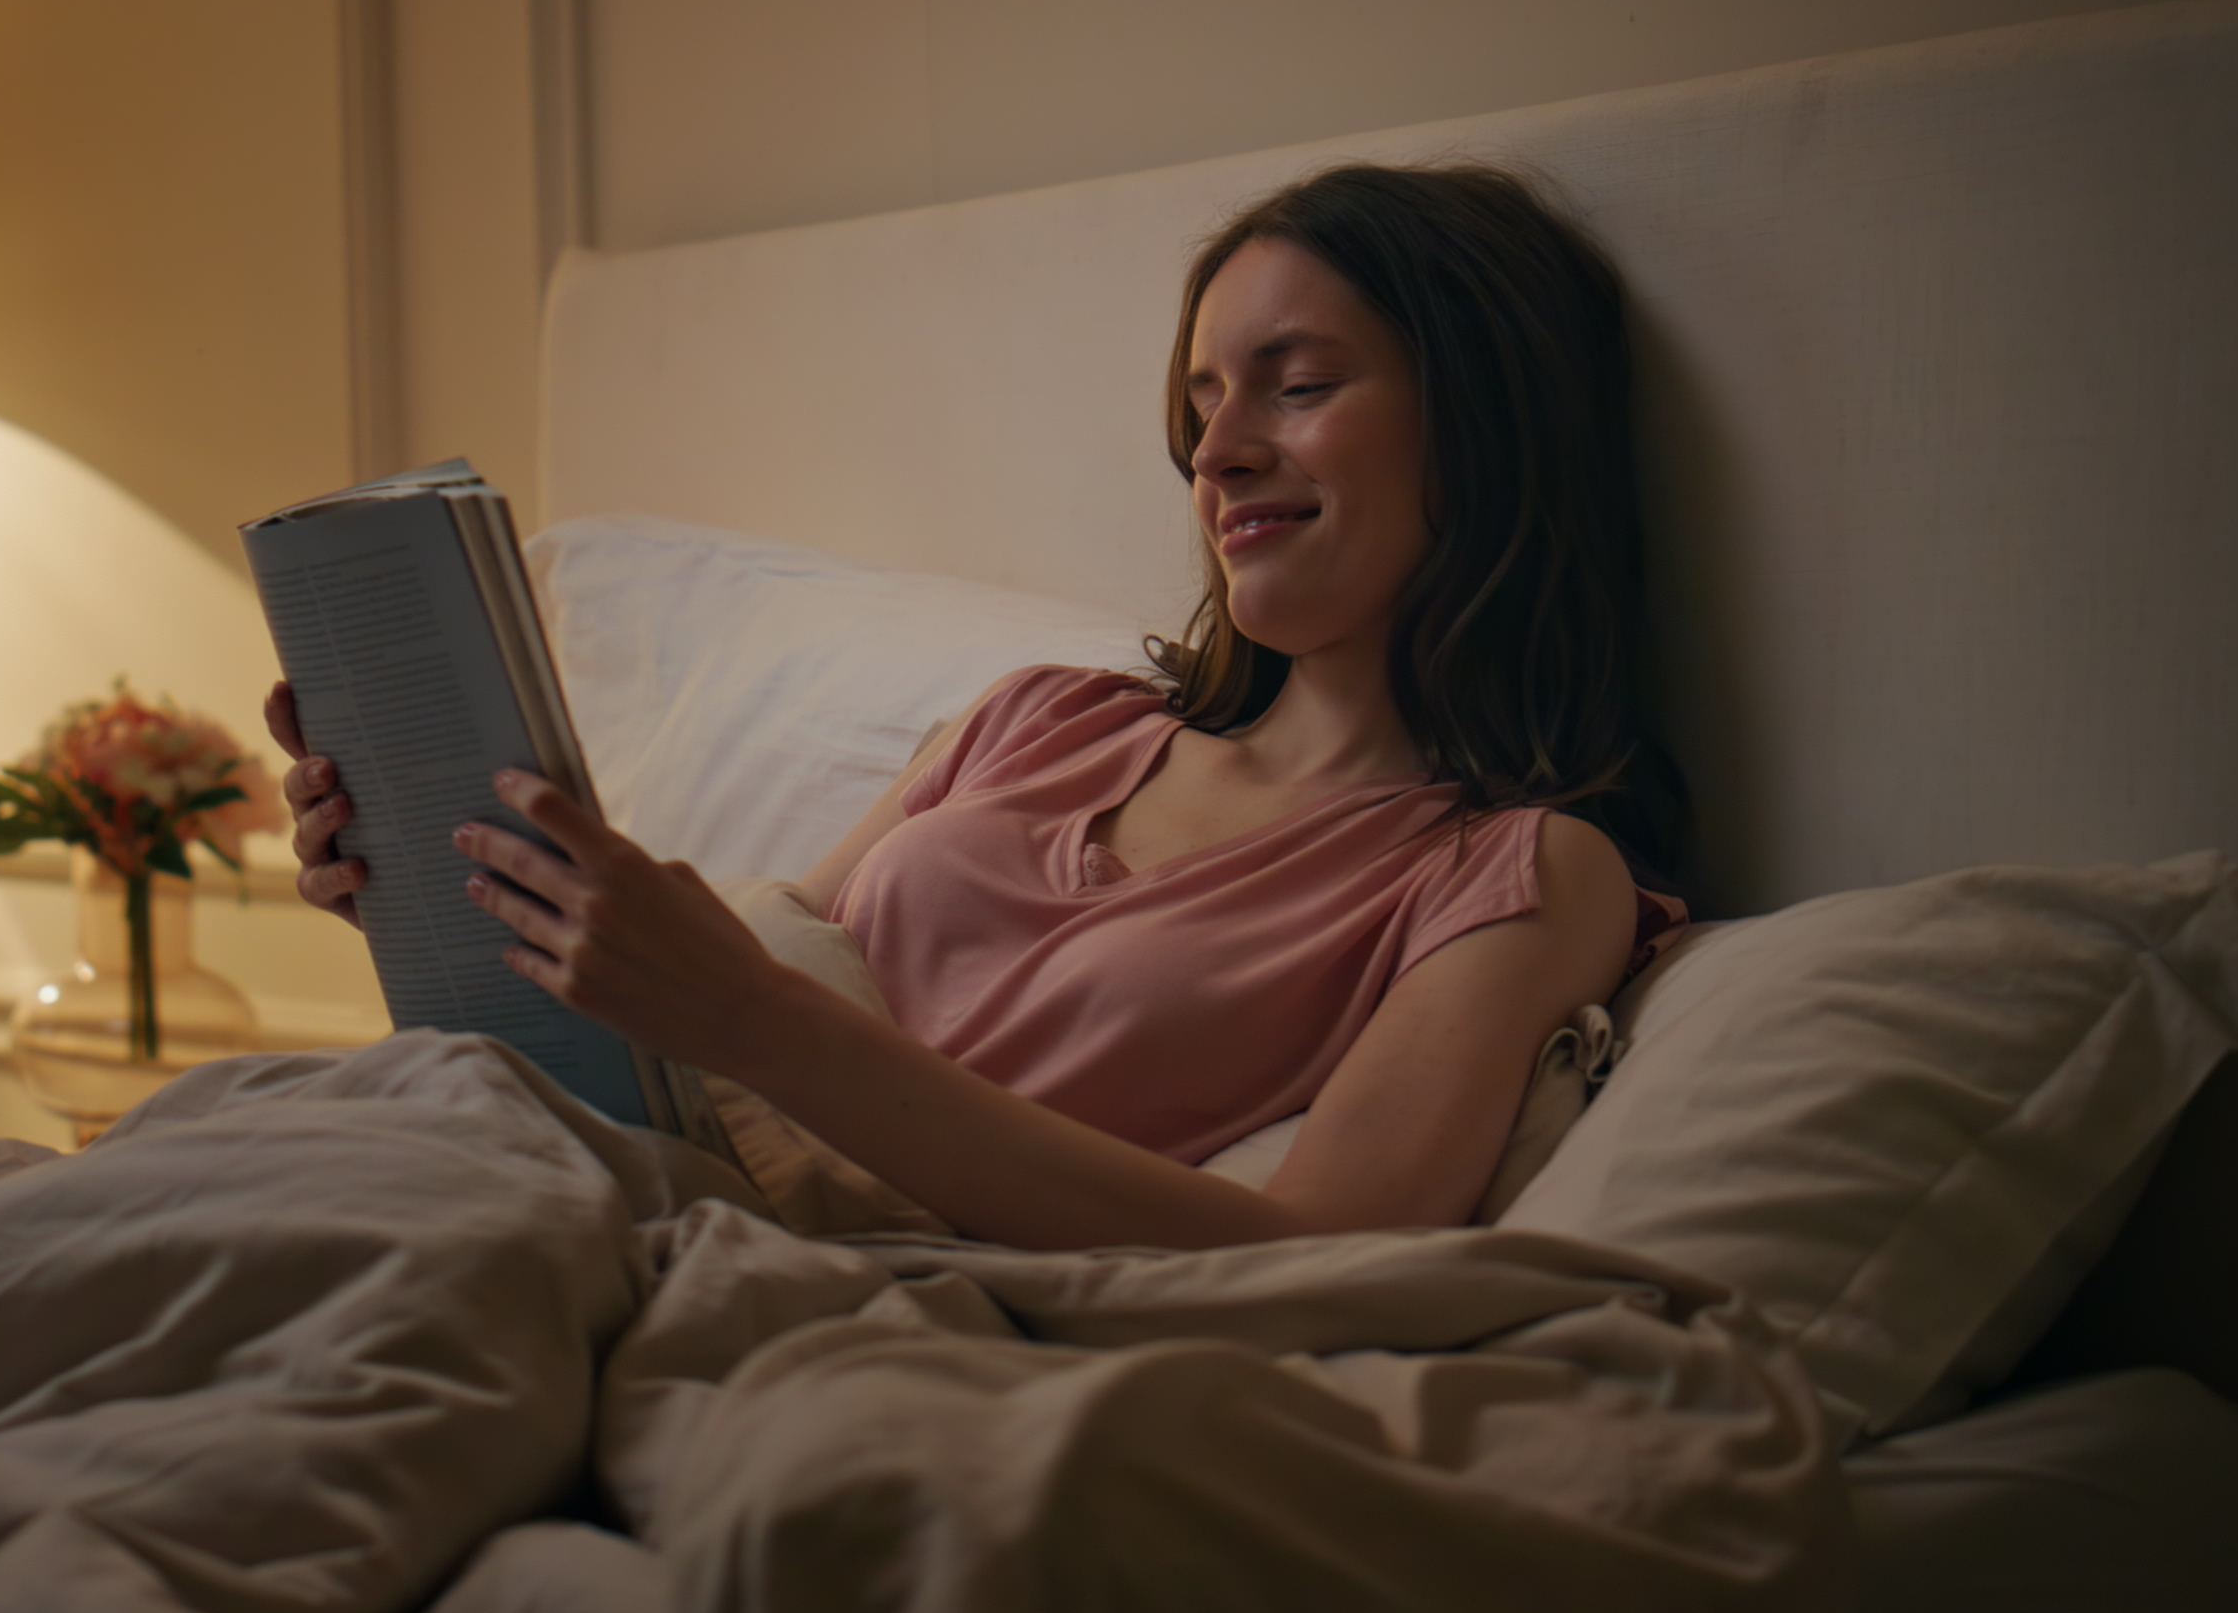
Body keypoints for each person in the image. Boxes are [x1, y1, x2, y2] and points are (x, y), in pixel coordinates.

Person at [261, 163, 1688, 1252]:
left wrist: (754, 1018)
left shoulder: (1518, 871)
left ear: (1489, 428)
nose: (1219, 452)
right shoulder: (1039, 726)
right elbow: (712, 1010)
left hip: (817, 1278)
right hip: (598, 1179)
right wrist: (459, 894)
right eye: (1200, 409)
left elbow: (1317, 1256)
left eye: (1298, 387)